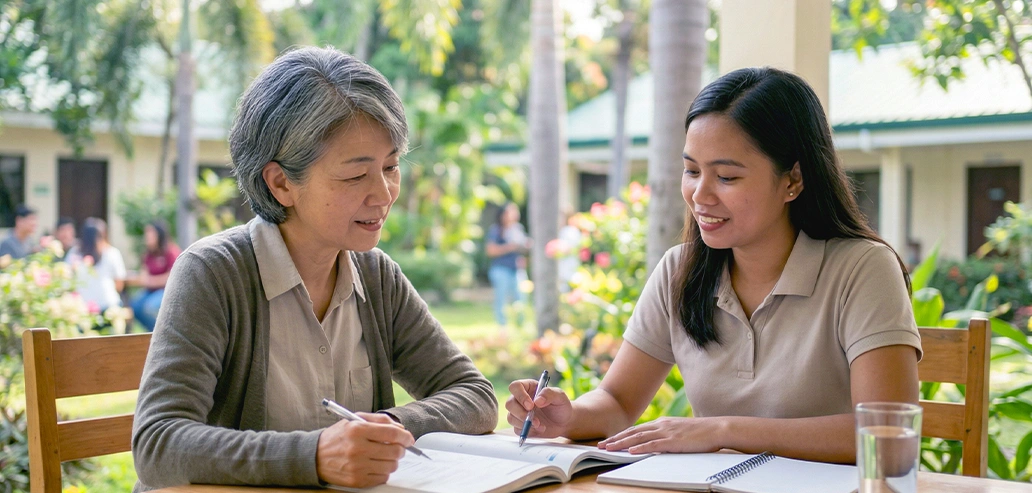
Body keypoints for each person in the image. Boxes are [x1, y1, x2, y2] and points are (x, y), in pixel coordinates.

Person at [506, 67, 921, 465]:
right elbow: (617, 401)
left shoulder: (863, 269)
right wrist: (568, 416)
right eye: (691, 171)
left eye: (726, 177)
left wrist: (722, 430)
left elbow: (884, 430)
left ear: (792, 180)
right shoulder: (679, 271)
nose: (700, 195)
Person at [132, 47, 497, 492]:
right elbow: (157, 445)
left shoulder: (376, 276)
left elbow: (474, 395)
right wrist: (315, 456)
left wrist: (387, 425)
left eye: (391, 167)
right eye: (355, 176)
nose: (383, 194)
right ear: (281, 182)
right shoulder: (213, 274)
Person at [485, 202, 532, 330]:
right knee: (501, 299)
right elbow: (490, 250)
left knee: (521, 298)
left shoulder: (518, 229)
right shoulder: (496, 230)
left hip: (517, 269)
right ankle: (502, 326)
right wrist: (509, 247)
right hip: (501, 269)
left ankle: (520, 325)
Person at [67, 217, 127, 314]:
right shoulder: (112, 253)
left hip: (82, 308)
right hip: (108, 307)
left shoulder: (74, 253)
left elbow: (68, 280)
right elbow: (119, 284)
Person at [129, 220, 179, 331]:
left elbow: (172, 276)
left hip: (166, 290)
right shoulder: (148, 254)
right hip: (149, 291)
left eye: (150, 233)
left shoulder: (171, 252)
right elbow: (144, 275)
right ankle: (151, 332)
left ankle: (161, 332)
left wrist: (152, 281)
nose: (147, 236)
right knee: (135, 306)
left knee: (150, 307)